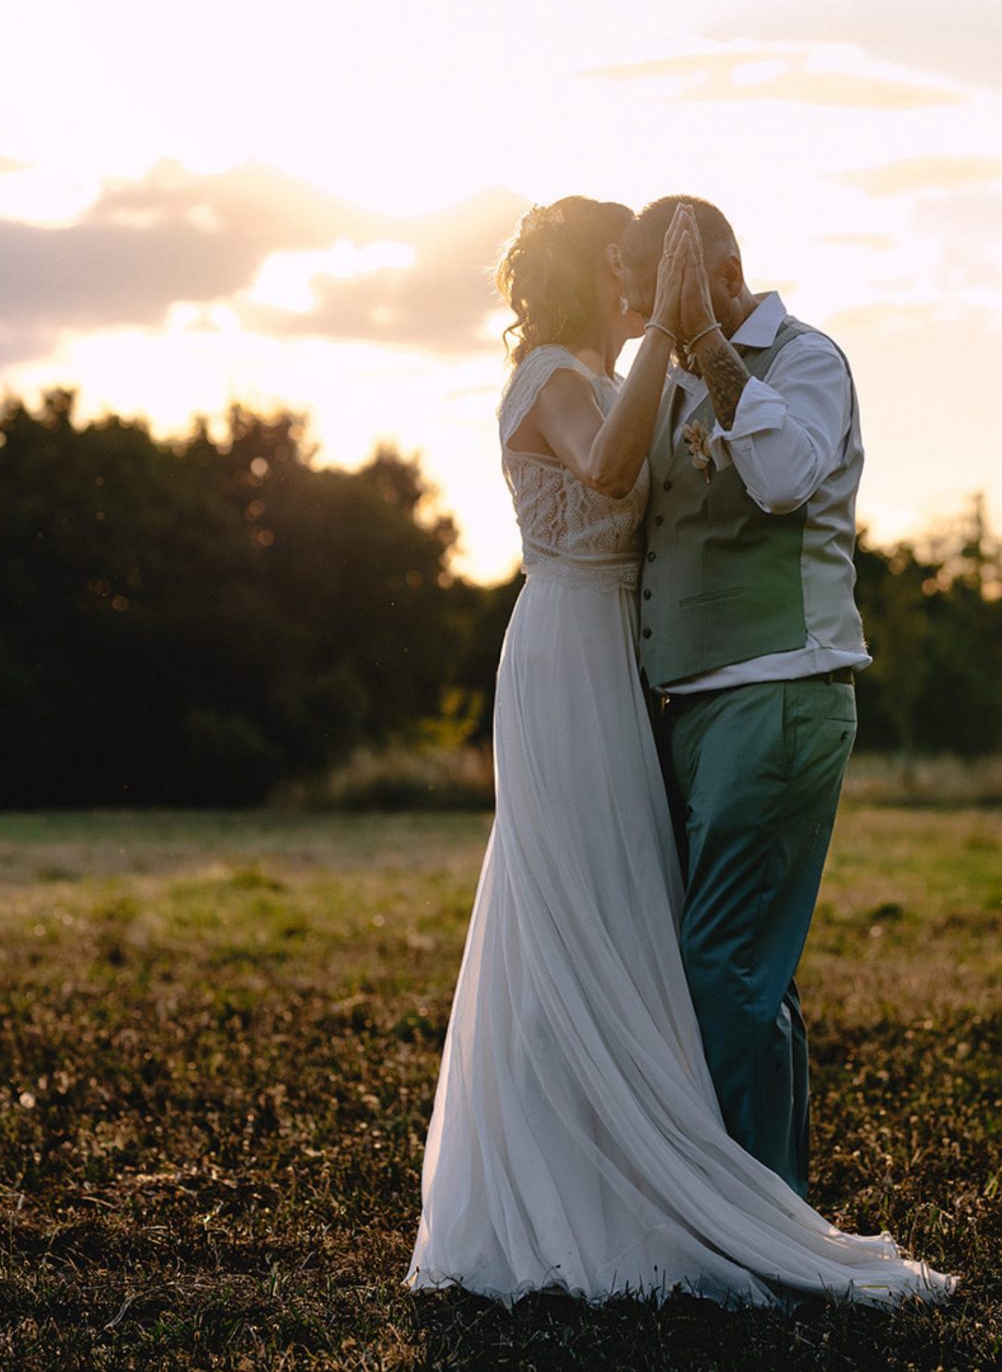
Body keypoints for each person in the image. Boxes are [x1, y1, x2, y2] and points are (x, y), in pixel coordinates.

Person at [405, 194, 955, 1311]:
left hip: (717, 685)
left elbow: (780, 477)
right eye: (622, 270)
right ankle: (660, 1192)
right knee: (611, 931)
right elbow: (611, 478)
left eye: (647, 271)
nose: (633, 288)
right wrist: (672, 334)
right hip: (585, 663)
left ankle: (744, 1202)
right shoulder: (569, 378)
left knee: (690, 958)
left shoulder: (798, 364)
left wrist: (680, 340)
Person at [619, 196, 866, 1202]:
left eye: (667, 306)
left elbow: (782, 480)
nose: (656, 332)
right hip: (691, 708)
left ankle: (738, 1226)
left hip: (780, 691)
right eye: (644, 313)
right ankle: (771, 1205)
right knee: (742, 974)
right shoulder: (668, 376)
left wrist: (710, 349)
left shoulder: (808, 360)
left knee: (722, 970)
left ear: (724, 276)